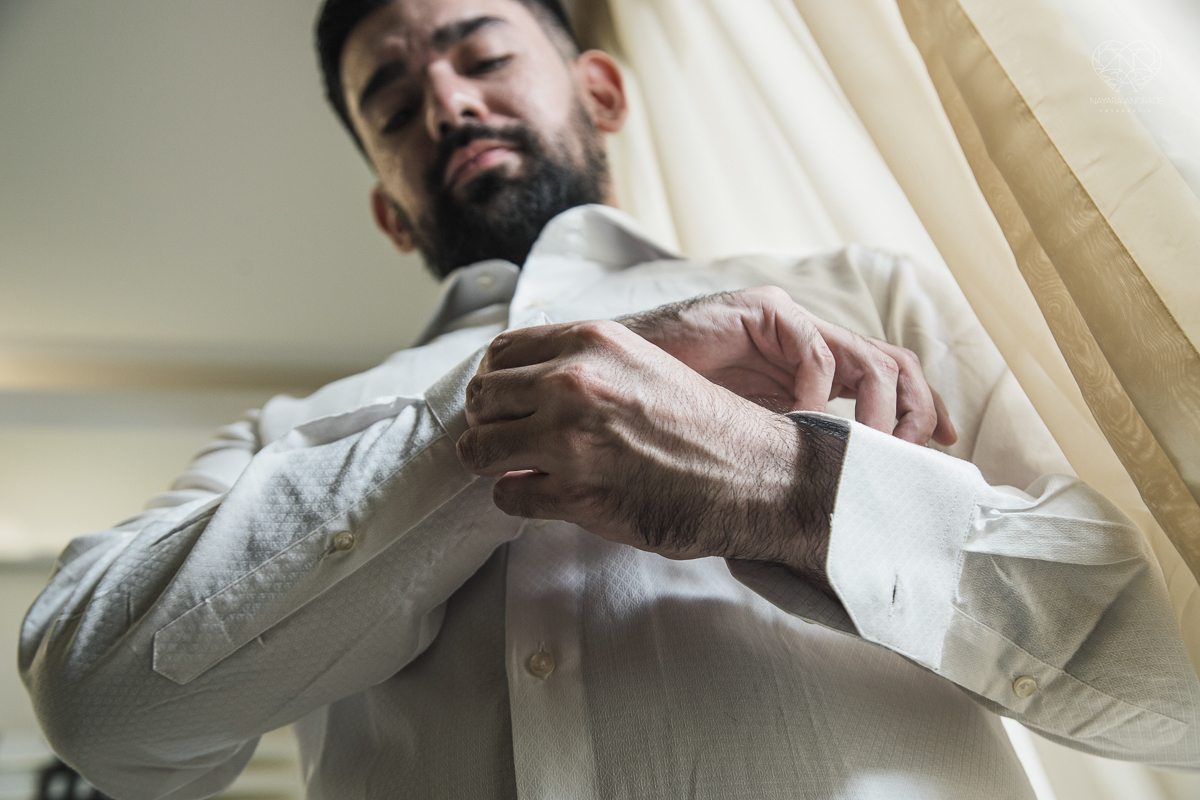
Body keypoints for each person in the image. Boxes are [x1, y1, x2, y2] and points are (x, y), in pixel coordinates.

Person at [19, 0, 1200, 797]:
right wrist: (484, 432)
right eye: (391, 100)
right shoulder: (287, 432)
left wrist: (793, 488)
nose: (446, 104)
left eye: (481, 56)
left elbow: (1176, 662)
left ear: (601, 90)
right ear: (386, 206)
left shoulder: (869, 291)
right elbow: (103, 704)